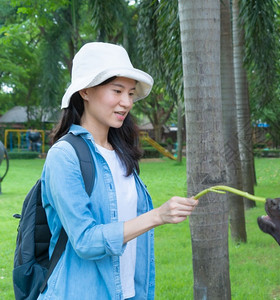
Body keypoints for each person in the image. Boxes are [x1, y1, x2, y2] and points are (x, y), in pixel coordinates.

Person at [40, 42, 198, 299]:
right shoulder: (64, 156)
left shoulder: (122, 153)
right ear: (86, 91)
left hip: (127, 292)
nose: (126, 102)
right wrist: (158, 216)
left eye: (131, 93)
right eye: (117, 91)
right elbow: (85, 241)